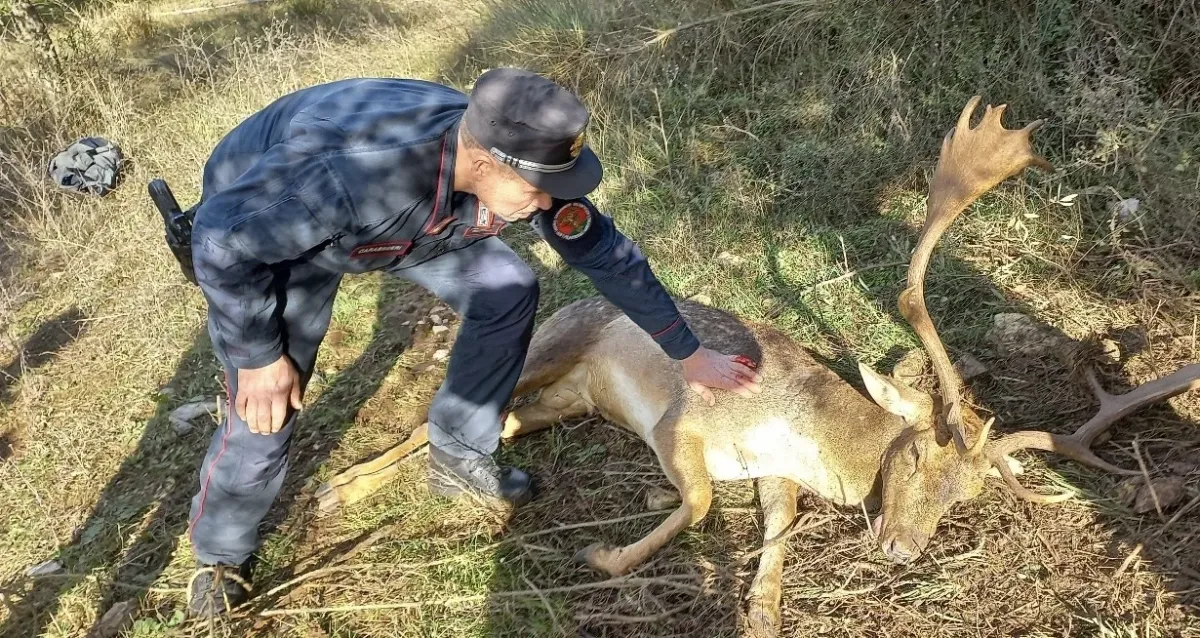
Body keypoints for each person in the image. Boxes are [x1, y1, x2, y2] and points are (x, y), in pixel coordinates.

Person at [182, 68, 762, 617]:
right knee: (267, 403)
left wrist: (688, 351)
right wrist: (258, 358)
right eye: (538, 190)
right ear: (481, 163)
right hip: (269, 235)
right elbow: (222, 242)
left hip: (407, 222)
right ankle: (220, 558)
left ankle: (459, 455)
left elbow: (605, 253)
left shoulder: (524, 161)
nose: (546, 202)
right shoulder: (344, 173)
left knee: (506, 288)